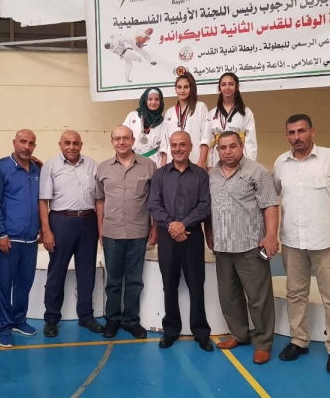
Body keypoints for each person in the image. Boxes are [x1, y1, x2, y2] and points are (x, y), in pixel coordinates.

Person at [273, 114, 330, 375]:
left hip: (326, 241)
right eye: (291, 133)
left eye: (301, 131)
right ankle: (299, 341)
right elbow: (273, 198)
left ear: (312, 132)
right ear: (286, 136)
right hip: (292, 241)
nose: (296, 137)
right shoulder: (280, 163)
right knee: (295, 294)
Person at [204, 131, 278, 365]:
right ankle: (239, 334)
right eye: (223, 147)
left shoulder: (257, 171)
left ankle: (263, 343)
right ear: (218, 150)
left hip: (251, 246)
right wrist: (209, 232)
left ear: (241, 147)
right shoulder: (212, 175)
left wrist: (271, 236)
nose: (227, 151)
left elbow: (270, 205)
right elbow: (209, 208)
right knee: (229, 296)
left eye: (232, 146)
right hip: (223, 246)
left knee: (258, 298)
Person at [148, 131, 213, 352]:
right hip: (167, 237)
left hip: (193, 237)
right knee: (169, 284)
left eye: (182, 144)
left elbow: (205, 206)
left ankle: (201, 332)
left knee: (196, 285)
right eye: (174, 145)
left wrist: (183, 224)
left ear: (191, 147)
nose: (178, 149)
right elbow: (154, 204)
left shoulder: (201, 175)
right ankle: (170, 330)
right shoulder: (160, 175)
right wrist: (173, 226)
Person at [39, 130, 104, 337]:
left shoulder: (92, 165)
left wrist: (100, 229)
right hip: (61, 222)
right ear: (60, 144)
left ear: (81, 145)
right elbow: (43, 201)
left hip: (88, 222)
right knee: (57, 271)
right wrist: (46, 230)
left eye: (76, 143)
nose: (71, 147)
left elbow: (99, 200)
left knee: (87, 271)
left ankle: (86, 316)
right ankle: (51, 318)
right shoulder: (51, 166)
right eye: (67, 143)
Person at [96, 125, 157, 339]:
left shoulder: (149, 166)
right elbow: (100, 200)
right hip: (111, 232)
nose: (121, 142)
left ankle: (131, 320)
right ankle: (112, 319)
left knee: (134, 280)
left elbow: (155, 200)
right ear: (112, 142)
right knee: (113, 280)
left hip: (138, 232)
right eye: (117, 138)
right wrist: (100, 228)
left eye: (125, 138)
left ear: (133, 140)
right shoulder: (103, 168)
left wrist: (155, 227)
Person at [0, 129, 41, 348]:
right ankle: (3, 327)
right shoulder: (2, 168)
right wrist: (0, 233)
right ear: (14, 142)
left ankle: (19, 320)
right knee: (3, 286)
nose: (26, 147)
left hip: (31, 240)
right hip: (8, 239)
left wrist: (41, 228)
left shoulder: (38, 169)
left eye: (31, 143)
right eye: (22, 142)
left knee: (24, 284)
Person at [159, 72, 211, 168]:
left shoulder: (200, 107)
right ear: (175, 89)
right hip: (172, 163)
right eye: (179, 87)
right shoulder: (169, 112)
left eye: (186, 87)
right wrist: (163, 166)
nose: (182, 90)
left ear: (192, 88)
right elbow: (165, 142)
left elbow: (206, 137)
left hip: (195, 160)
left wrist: (202, 161)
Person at [207, 72, 257, 168]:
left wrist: (249, 165)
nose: (227, 88)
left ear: (237, 87)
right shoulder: (212, 114)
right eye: (223, 85)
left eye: (231, 84)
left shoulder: (246, 112)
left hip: (240, 157)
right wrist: (210, 165)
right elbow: (209, 141)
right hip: (218, 157)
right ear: (219, 88)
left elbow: (251, 142)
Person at [122, 87, 165, 165]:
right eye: (150, 99)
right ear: (145, 100)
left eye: (157, 99)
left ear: (160, 101)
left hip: (153, 162)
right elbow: (123, 136)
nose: (153, 102)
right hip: (132, 160)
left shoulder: (163, 122)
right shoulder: (133, 116)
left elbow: (164, 148)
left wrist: (163, 168)